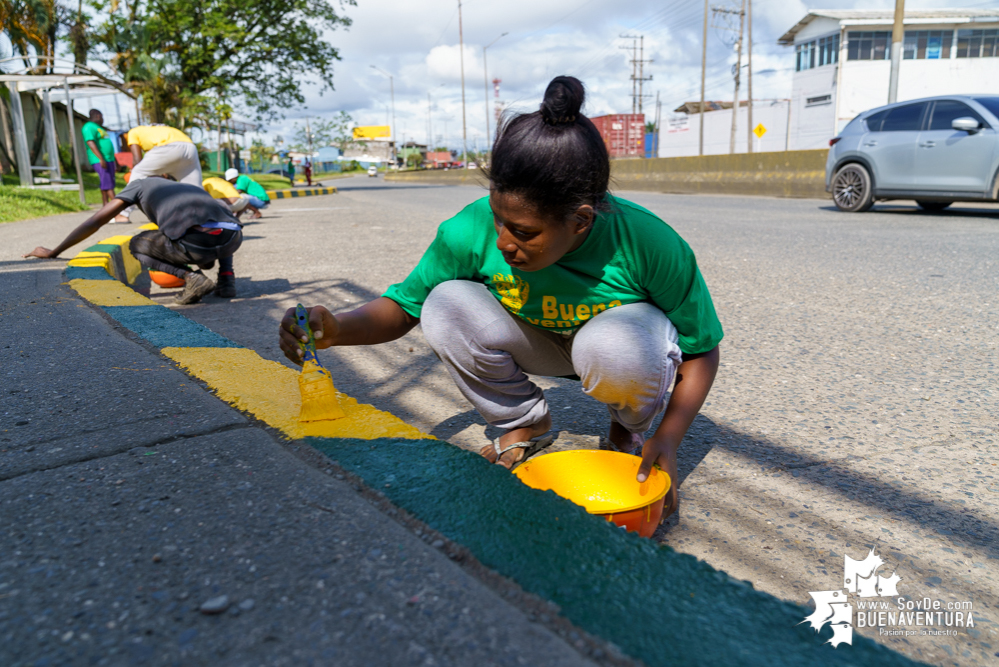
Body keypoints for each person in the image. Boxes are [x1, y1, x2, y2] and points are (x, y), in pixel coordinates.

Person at [278, 76, 722, 520]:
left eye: (525, 232)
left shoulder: (647, 242)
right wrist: (337, 329)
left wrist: (669, 434)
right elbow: (405, 307)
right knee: (444, 301)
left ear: (581, 222)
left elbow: (701, 349)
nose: (504, 242)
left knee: (612, 346)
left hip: (609, 348)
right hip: (540, 342)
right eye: (497, 219)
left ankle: (630, 429)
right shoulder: (468, 230)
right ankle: (522, 421)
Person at [24, 175, 242, 304]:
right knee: (216, 228)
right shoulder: (191, 187)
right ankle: (227, 279)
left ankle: (192, 278)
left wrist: (54, 252)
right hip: (233, 237)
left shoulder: (139, 185)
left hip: (197, 242)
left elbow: (95, 222)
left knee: (138, 244)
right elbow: (221, 219)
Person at [119, 125, 203, 223]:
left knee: (137, 173)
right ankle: (201, 215)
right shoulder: (154, 130)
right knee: (195, 188)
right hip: (190, 146)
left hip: (168, 147)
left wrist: (134, 170)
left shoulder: (132, 132)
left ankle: (122, 214)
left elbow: (137, 159)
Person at [81, 110, 121, 212]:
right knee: (108, 185)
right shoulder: (88, 127)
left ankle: (106, 208)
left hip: (109, 159)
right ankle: (117, 209)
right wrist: (101, 158)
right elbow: (90, 142)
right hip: (100, 160)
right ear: (98, 116)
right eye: (102, 117)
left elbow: (108, 145)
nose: (103, 119)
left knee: (106, 183)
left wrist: (116, 162)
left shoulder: (99, 128)